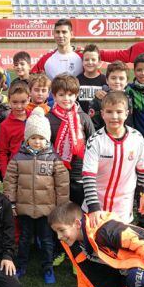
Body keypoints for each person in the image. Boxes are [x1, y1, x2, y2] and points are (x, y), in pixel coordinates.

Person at [4, 108, 69, 284]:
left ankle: (47, 267)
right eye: (33, 138)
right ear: (27, 138)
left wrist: (61, 207)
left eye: (41, 138)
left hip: (47, 210)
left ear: (47, 139)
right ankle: (21, 266)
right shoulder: (18, 158)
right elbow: (9, 182)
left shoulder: (54, 159)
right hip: (24, 209)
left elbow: (62, 185)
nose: (37, 142)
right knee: (24, 239)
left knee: (47, 240)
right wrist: (11, 203)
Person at [82, 91, 144, 224]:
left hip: (123, 207)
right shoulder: (95, 141)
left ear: (127, 113)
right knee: (93, 244)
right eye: (109, 112)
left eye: (119, 112)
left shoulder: (137, 138)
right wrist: (94, 207)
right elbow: (88, 176)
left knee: (119, 243)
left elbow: (143, 170)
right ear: (102, 114)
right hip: (96, 205)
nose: (114, 116)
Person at [49, 75, 95, 208]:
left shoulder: (84, 118)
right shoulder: (49, 118)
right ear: (54, 95)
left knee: (79, 208)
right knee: (60, 209)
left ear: (77, 95)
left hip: (80, 172)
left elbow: (92, 143)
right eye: (61, 95)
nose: (66, 99)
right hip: (57, 171)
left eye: (70, 95)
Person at [0, 83, 30, 177]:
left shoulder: (35, 118)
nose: (19, 106)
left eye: (23, 102)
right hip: (16, 170)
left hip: (35, 167)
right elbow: (2, 152)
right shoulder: (5, 125)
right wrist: (5, 173)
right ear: (9, 101)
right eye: (15, 102)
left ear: (29, 99)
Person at [88, 61, 129, 130]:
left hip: (126, 138)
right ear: (107, 80)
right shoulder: (98, 100)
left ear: (127, 82)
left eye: (121, 78)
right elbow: (93, 125)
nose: (117, 81)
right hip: (103, 138)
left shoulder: (130, 98)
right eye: (113, 78)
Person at [76, 44, 106, 114]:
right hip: (81, 121)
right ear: (82, 62)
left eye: (93, 59)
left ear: (99, 62)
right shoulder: (76, 80)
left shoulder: (105, 80)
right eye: (86, 60)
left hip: (100, 122)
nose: (90, 62)